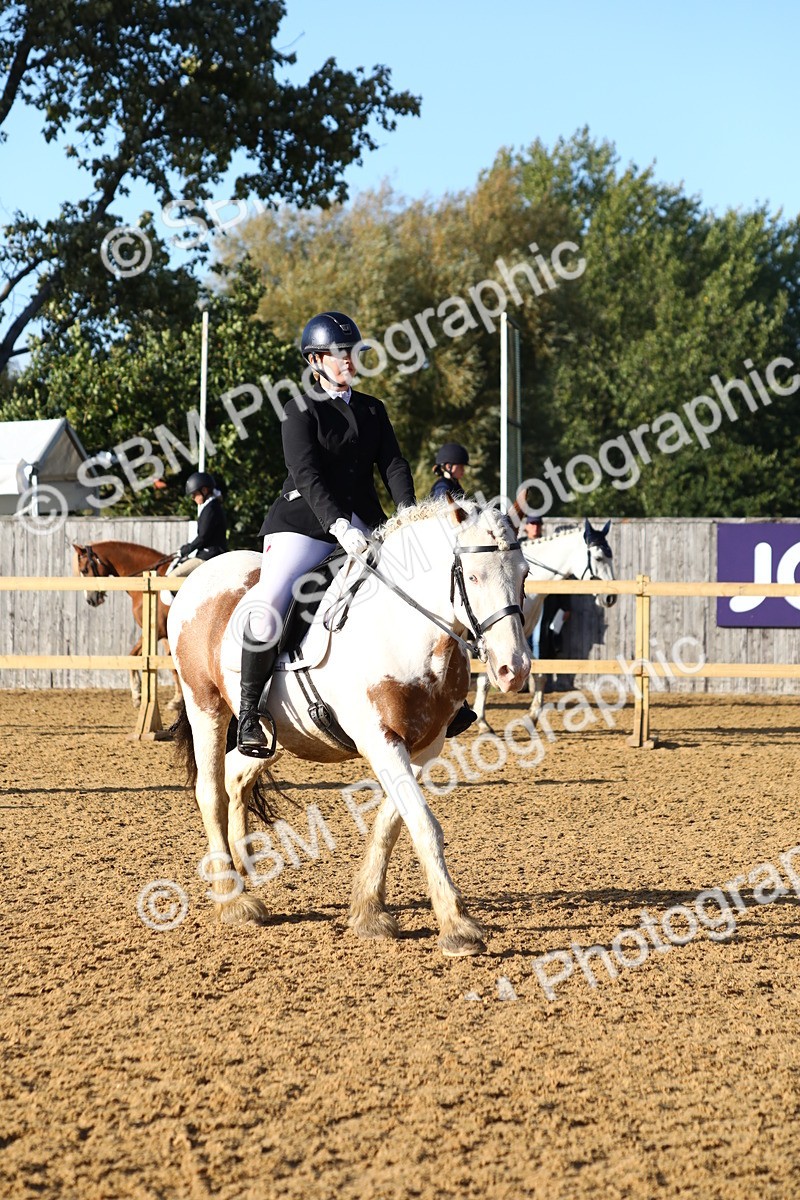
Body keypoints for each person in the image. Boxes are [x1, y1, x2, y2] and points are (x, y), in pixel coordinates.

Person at [237, 311, 417, 758]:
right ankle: (248, 713)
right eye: (342, 353)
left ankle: (437, 693)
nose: (352, 360)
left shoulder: (373, 408)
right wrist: (338, 525)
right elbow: (306, 474)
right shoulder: (299, 409)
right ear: (316, 360)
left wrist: (409, 517)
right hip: (305, 524)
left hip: (363, 521)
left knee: (419, 583)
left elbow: (393, 465)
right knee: (271, 601)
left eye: (355, 351)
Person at [164, 473, 227, 598]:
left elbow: (203, 537)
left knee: (172, 578)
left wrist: (187, 549)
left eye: (194, 494)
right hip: (209, 552)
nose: (193, 498)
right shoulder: (211, 507)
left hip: (208, 555)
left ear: (204, 490)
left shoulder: (211, 509)